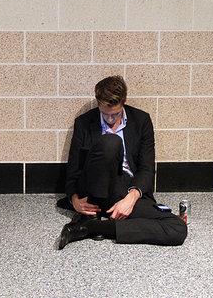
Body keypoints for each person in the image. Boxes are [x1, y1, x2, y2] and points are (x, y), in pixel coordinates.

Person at [56, 75, 187, 249]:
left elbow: (147, 169)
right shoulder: (84, 123)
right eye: (105, 114)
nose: (110, 120)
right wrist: (74, 199)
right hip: (93, 192)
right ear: (98, 104)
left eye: (115, 114)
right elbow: (73, 170)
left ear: (124, 102)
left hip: (125, 191)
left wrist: (130, 199)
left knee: (177, 229)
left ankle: (92, 228)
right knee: (111, 142)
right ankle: (92, 218)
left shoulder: (141, 121)